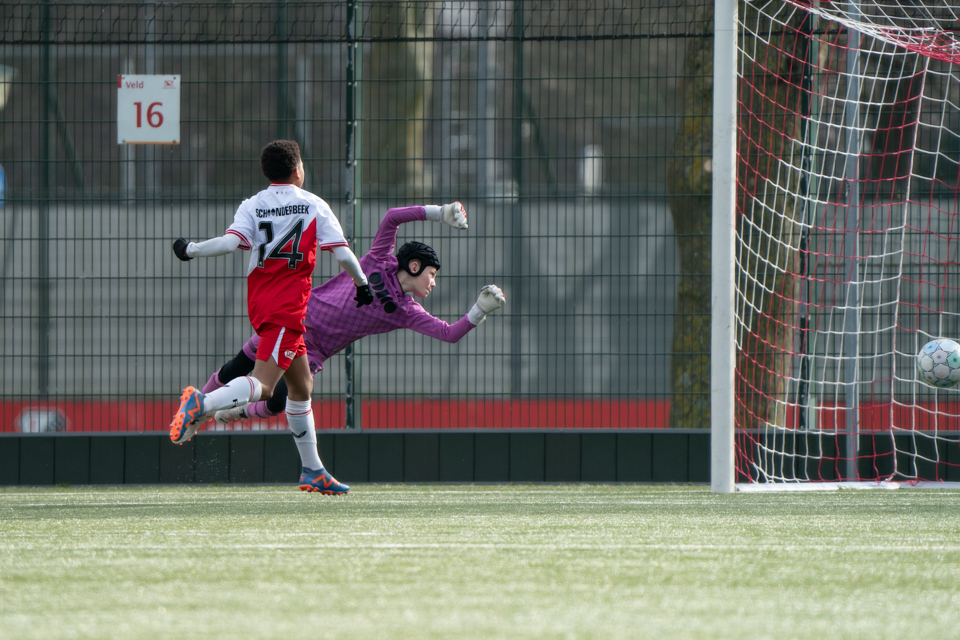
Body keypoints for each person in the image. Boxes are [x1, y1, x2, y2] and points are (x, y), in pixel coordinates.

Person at [194, 203, 506, 491]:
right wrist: (439, 212)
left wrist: (479, 311)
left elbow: (448, 334)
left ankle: (235, 413)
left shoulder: (407, 311)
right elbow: (392, 217)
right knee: (241, 365)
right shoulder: (379, 259)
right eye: (432, 274)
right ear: (413, 266)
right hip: (297, 318)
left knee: (278, 401)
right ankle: (199, 409)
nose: (434, 282)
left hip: (315, 350)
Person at [169, 140, 374, 496]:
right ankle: (203, 403)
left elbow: (230, 243)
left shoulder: (253, 204)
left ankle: (313, 470)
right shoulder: (313, 204)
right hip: (287, 307)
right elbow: (342, 252)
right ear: (298, 170)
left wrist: (191, 250)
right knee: (264, 385)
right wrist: (362, 284)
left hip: (262, 302)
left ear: (268, 172)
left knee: (301, 386)